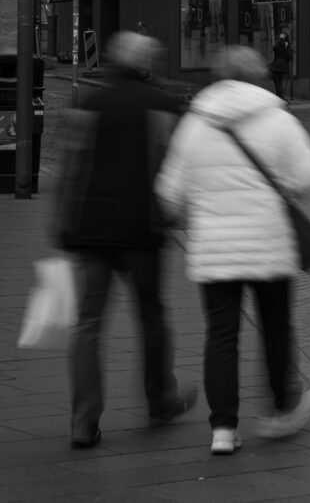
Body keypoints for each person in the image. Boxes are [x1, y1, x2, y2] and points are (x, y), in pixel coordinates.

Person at [155, 46, 310, 456]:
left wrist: (188, 213)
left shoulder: (195, 124)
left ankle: (223, 429)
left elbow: (168, 193)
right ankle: (282, 410)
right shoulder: (280, 120)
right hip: (270, 244)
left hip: (214, 249)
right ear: (259, 77)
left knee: (221, 335)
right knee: (276, 327)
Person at [56, 31, 197, 449]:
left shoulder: (90, 104)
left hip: (90, 229)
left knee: (88, 326)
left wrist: (64, 222)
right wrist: (173, 215)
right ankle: (160, 401)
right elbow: (173, 165)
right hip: (142, 230)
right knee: (151, 318)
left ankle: (84, 421)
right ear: (147, 64)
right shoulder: (162, 105)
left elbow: (70, 164)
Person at [268, 28, 293, 100]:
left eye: (284, 38)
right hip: (276, 70)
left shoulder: (289, 49)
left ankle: (281, 100)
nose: (283, 40)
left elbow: (290, 56)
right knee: (278, 89)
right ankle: (279, 101)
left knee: (282, 88)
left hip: (284, 71)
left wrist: (285, 48)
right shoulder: (277, 47)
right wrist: (280, 42)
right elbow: (274, 48)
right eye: (281, 38)